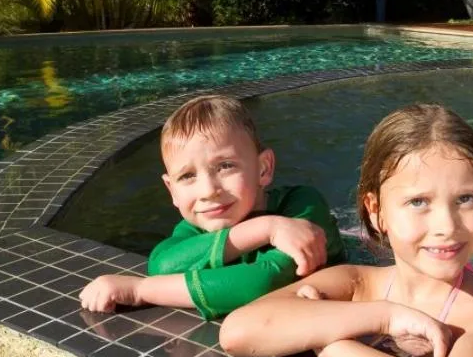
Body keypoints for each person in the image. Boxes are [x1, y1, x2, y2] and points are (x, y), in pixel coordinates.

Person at [219, 104, 473, 357]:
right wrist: (384, 316)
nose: (447, 225)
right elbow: (237, 331)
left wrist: (335, 344)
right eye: (419, 202)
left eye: (465, 199)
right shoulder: (357, 284)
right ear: (377, 211)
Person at [78, 94, 345, 318]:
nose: (208, 191)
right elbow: (161, 265)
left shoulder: (302, 206)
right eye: (187, 176)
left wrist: (141, 290)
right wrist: (267, 228)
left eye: (226, 166)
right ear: (171, 190)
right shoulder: (196, 226)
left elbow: (262, 283)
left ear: (263, 168)